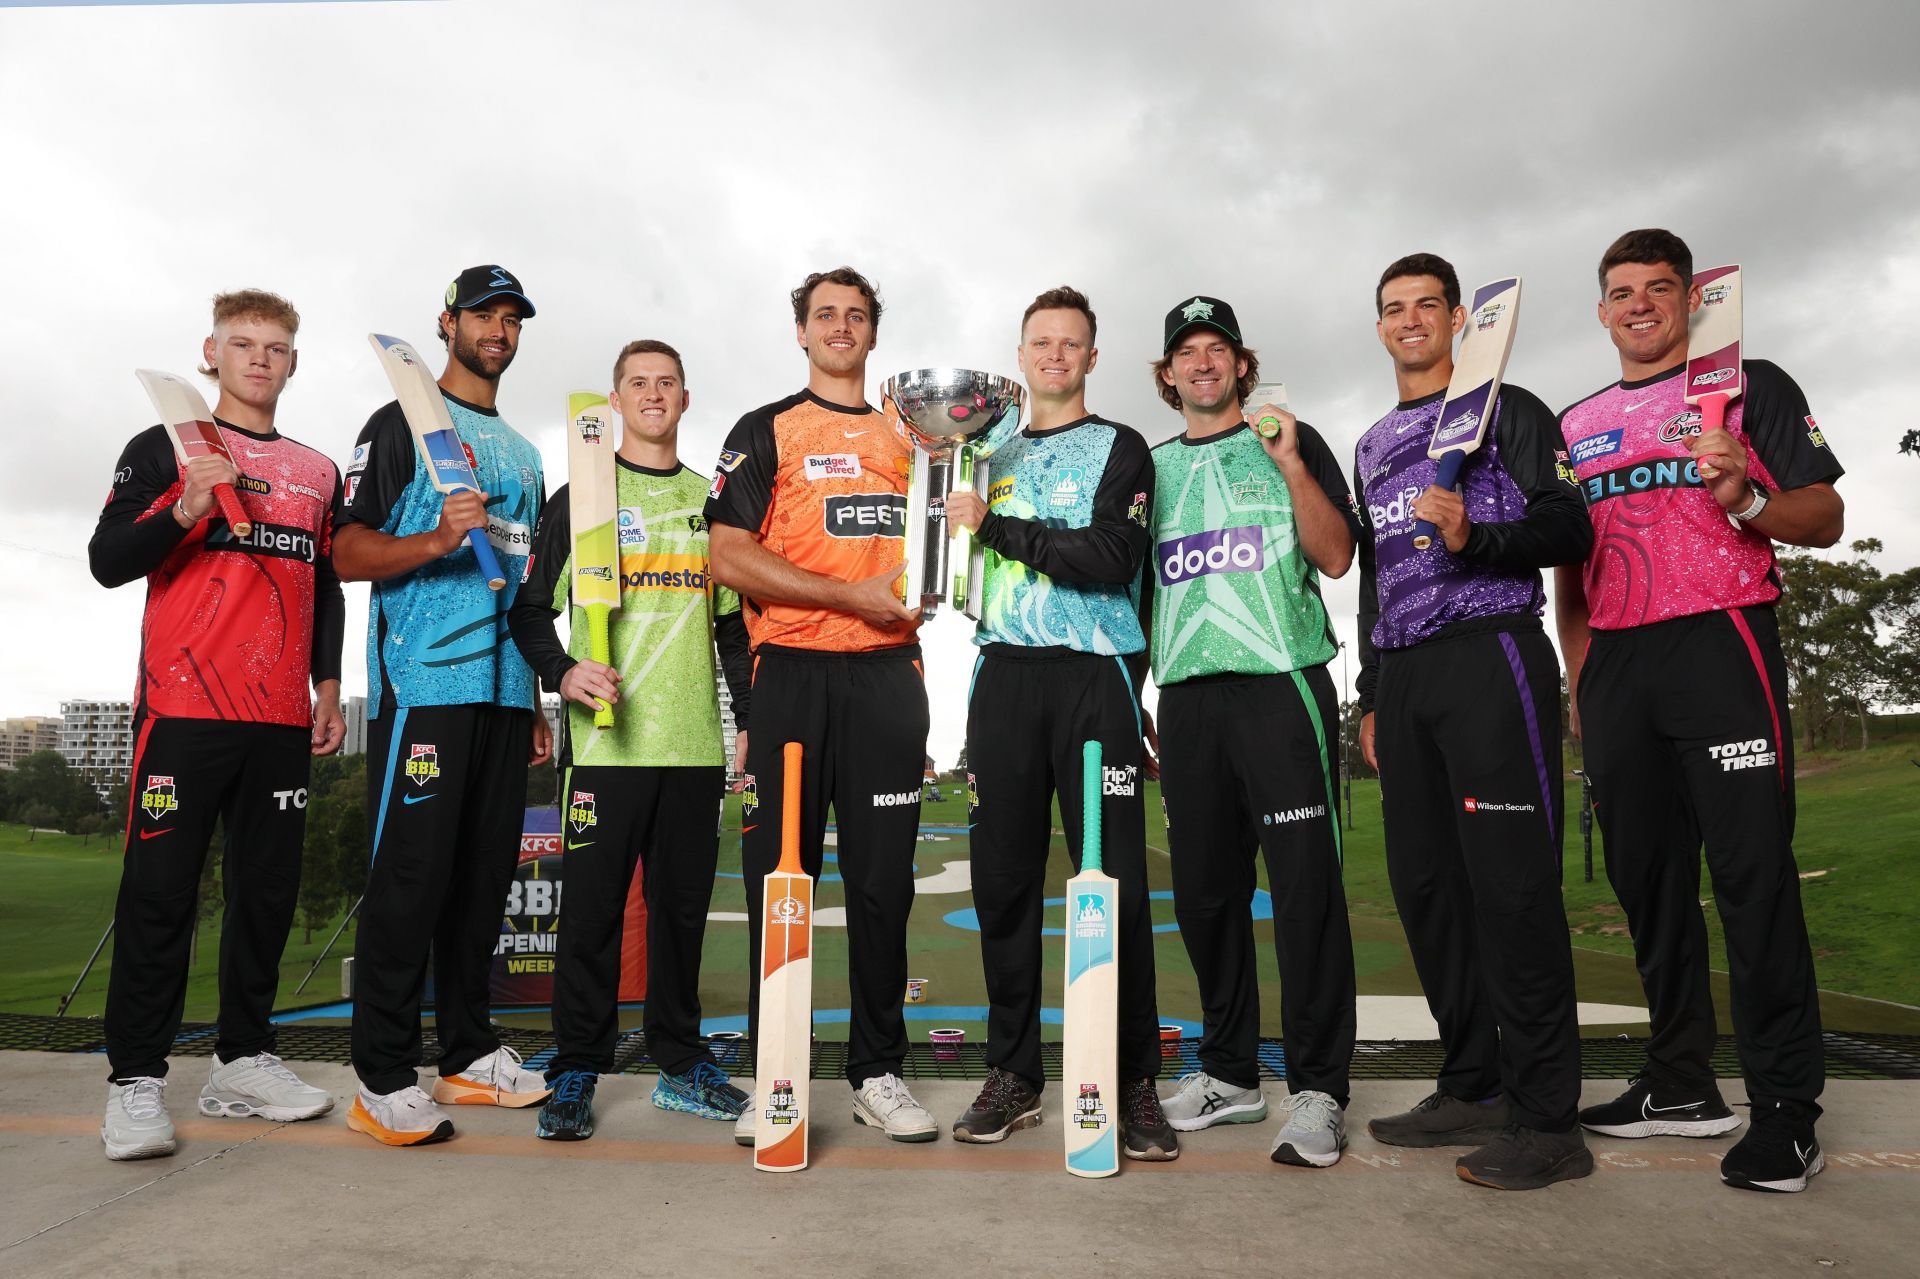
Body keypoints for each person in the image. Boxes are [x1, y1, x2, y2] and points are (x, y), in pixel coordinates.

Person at [1556, 228, 1843, 1193]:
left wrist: (1748, 496)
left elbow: (1823, 516)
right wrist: (1581, 677)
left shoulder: (1747, 385)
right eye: (1621, 291)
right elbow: (1573, 566)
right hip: (1617, 662)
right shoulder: (1578, 419)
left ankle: (1785, 1112)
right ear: (1601, 310)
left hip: (1721, 638)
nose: (1640, 304)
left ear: (1688, 301)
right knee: (1647, 882)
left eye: (1659, 288)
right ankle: (1681, 1081)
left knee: (1753, 878)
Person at [1353, 254, 1594, 1190]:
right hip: (1405, 676)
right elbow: (1376, 573)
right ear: (1379, 328)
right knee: (1428, 889)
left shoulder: (1509, 407)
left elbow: (1569, 525)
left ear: (1458, 318)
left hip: (1491, 650)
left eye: (1426, 306)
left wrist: (1473, 537)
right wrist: (1373, 688)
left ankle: (1549, 1123)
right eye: (1393, 310)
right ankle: (1473, 1082)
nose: (1410, 321)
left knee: (1512, 889)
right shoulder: (1374, 442)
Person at [88, 288, 345, 1160]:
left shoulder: (317, 470)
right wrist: (186, 508)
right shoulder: (168, 447)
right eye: (243, 344)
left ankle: (245, 1057)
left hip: (278, 717)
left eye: (275, 346)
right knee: (161, 895)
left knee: (266, 897)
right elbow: (106, 561)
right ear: (212, 352)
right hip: (185, 709)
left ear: (293, 360)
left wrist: (329, 685)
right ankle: (135, 1080)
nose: (260, 358)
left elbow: (325, 585)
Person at [705, 266, 935, 1144]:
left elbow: (937, 555)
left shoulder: (913, 436)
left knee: (883, 888)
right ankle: (778, 1074)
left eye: (857, 315)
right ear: (801, 331)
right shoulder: (764, 429)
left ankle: (878, 1070)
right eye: (825, 315)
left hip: (887, 679)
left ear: (874, 334)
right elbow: (729, 556)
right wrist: (847, 598)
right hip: (792, 677)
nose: (841, 326)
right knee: (780, 884)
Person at [942, 286, 1174, 1159]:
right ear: (1021, 353)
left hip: (1094, 678)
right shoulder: (982, 448)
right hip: (1002, 676)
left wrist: (1001, 528)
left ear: (1090, 356)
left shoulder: (1121, 449)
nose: (1054, 355)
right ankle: (1015, 1073)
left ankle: (1133, 1077)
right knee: (1002, 884)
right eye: (1040, 342)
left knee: (1108, 881)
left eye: (1069, 343)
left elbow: (1112, 557)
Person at [508, 339, 754, 1140]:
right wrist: (565, 671)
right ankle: (579, 1062)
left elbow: (730, 634)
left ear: (686, 398)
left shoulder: (707, 502)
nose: (653, 395)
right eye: (638, 383)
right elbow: (526, 610)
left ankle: (681, 1062)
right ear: (614, 399)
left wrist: (746, 721)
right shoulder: (583, 494)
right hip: (604, 748)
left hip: (691, 747)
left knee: (683, 915)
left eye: (666, 384)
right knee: (591, 916)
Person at [333, 265, 552, 1146]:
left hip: (503, 698)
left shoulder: (528, 458)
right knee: (412, 880)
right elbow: (344, 550)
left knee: (482, 886)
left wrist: (533, 696)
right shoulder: (399, 426)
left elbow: (527, 593)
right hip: (424, 690)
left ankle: (466, 1054)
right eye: (483, 315)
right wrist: (435, 538)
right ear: (448, 322)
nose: (497, 331)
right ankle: (381, 1075)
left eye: (510, 319)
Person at [1143, 296, 1359, 1167]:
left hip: (1282, 685)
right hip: (1189, 699)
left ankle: (1318, 1089)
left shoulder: (1287, 441)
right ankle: (1229, 1074)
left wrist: (1293, 464)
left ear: (1241, 363)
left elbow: (1338, 554)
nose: (1202, 364)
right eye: (1186, 353)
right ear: (1167, 374)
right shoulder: (1147, 468)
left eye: (1216, 350)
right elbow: (1134, 590)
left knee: (1305, 891)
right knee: (1204, 895)